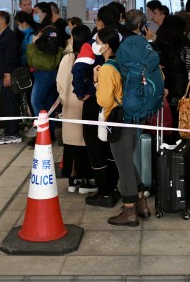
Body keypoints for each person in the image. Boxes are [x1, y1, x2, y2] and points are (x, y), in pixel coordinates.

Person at [95, 26, 150, 226]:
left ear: (107, 46)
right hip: (136, 118)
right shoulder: (125, 62)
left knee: (123, 165)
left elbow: (104, 101)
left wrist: (96, 80)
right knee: (128, 161)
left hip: (119, 120)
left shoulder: (108, 68)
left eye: (98, 42)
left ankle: (129, 211)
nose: (96, 45)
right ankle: (142, 203)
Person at [72, 23, 119, 205]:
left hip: (97, 105)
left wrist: (83, 91)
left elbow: (77, 72)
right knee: (109, 147)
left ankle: (104, 193)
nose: (94, 44)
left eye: (97, 41)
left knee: (95, 147)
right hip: (115, 110)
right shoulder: (118, 57)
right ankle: (112, 188)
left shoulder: (102, 64)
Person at [52, 28, 95, 193]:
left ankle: (72, 179)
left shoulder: (67, 58)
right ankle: (86, 179)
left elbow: (60, 83)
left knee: (71, 143)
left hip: (70, 106)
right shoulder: (90, 57)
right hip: (86, 105)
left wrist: (64, 99)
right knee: (86, 143)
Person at [153, 14, 190, 130]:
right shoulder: (183, 43)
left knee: (164, 118)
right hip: (180, 89)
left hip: (162, 88)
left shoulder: (157, 43)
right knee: (179, 119)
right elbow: (189, 66)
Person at [0, 11, 23, 145]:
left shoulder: (9, 36)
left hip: (7, 75)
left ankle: (13, 133)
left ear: (3, 21)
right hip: (3, 74)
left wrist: (7, 73)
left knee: (11, 103)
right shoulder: (2, 35)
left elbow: (10, 57)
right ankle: (9, 130)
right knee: (7, 103)